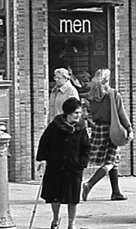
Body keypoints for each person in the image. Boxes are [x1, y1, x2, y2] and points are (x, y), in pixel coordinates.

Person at [36, 97, 90, 229]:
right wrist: (43, 159)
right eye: (76, 113)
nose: (79, 115)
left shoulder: (81, 127)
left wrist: (82, 163)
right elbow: (44, 142)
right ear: (68, 113)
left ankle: (72, 223)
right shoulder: (55, 126)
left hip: (73, 166)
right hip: (56, 165)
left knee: (73, 197)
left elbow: (86, 147)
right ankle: (55, 218)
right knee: (55, 196)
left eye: (79, 112)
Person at [81, 68, 133, 201]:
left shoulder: (91, 96)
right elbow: (121, 113)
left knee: (112, 161)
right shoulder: (113, 94)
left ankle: (116, 192)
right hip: (113, 129)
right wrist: (129, 129)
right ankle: (89, 184)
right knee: (111, 161)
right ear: (106, 80)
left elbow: (88, 114)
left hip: (98, 129)